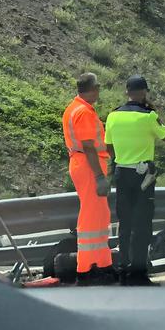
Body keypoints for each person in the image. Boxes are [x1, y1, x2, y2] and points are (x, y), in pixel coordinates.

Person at [104, 75, 165, 286]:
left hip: (122, 173)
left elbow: (108, 146)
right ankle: (139, 273)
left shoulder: (113, 116)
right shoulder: (148, 116)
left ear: (126, 92)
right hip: (144, 176)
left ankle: (123, 270)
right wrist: (155, 114)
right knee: (142, 224)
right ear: (144, 92)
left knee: (124, 223)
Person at [61, 73, 116, 285]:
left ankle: (102, 265)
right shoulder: (83, 111)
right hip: (88, 166)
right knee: (91, 216)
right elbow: (89, 146)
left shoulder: (74, 108)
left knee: (100, 216)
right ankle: (85, 269)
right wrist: (100, 176)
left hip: (84, 164)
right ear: (94, 88)